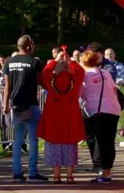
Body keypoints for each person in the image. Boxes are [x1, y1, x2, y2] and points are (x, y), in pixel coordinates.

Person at [3, 35, 48, 182]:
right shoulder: (34, 61)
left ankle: (17, 173)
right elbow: (41, 81)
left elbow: (7, 87)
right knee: (33, 139)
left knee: (17, 140)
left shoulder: (9, 62)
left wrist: (5, 105)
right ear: (29, 46)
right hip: (31, 105)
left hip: (16, 106)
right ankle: (33, 173)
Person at [38, 48, 86, 184]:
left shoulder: (50, 79)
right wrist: (71, 60)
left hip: (54, 116)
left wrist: (55, 60)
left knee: (55, 145)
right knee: (70, 145)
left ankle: (56, 176)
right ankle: (70, 176)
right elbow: (81, 71)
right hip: (70, 115)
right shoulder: (74, 80)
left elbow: (45, 72)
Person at [81, 50, 122, 183]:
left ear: (83, 62)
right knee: (108, 141)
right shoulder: (105, 73)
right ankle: (106, 172)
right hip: (113, 109)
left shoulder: (85, 76)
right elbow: (114, 89)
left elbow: (79, 93)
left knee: (98, 140)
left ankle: (102, 169)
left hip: (98, 111)